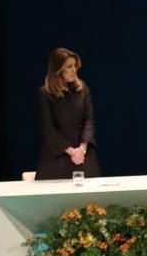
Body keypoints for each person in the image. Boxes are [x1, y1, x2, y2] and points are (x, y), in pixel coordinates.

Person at [36, 47, 100, 180]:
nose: (74, 70)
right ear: (58, 70)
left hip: (83, 154)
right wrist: (71, 151)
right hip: (58, 153)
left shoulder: (82, 88)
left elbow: (89, 121)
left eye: (75, 66)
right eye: (69, 66)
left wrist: (81, 149)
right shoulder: (45, 93)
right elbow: (49, 129)